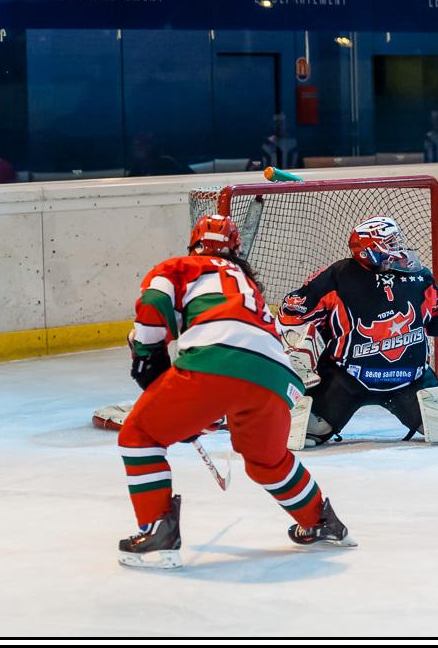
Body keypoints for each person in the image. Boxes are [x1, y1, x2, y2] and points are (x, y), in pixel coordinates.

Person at [116, 214, 352, 569]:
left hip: (215, 363)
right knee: (267, 462)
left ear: (193, 244)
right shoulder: (247, 287)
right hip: (276, 378)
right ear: (237, 250)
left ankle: (157, 536)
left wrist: (149, 357)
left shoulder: (180, 266)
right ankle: (322, 522)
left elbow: (154, 301)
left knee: (139, 436)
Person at [276, 216, 438, 447]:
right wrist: (297, 353)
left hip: (409, 380)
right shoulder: (337, 277)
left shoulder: (416, 276)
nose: (398, 248)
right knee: (306, 431)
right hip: (345, 378)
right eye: (390, 243)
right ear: (369, 248)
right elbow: (293, 312)